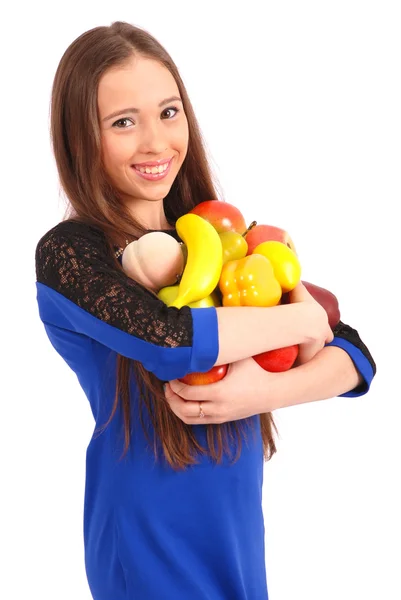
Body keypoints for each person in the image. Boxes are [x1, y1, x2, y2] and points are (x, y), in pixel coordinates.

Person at [35, 21, 376, 600]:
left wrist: (258, 394)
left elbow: (356, 360)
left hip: (235, 529)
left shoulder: (215, 235)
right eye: (123, 122)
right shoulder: (71, 252)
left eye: (169, 112)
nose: (155, 142)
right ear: (81, 139)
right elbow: (169, 338)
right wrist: (298, 321)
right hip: (148, 535)